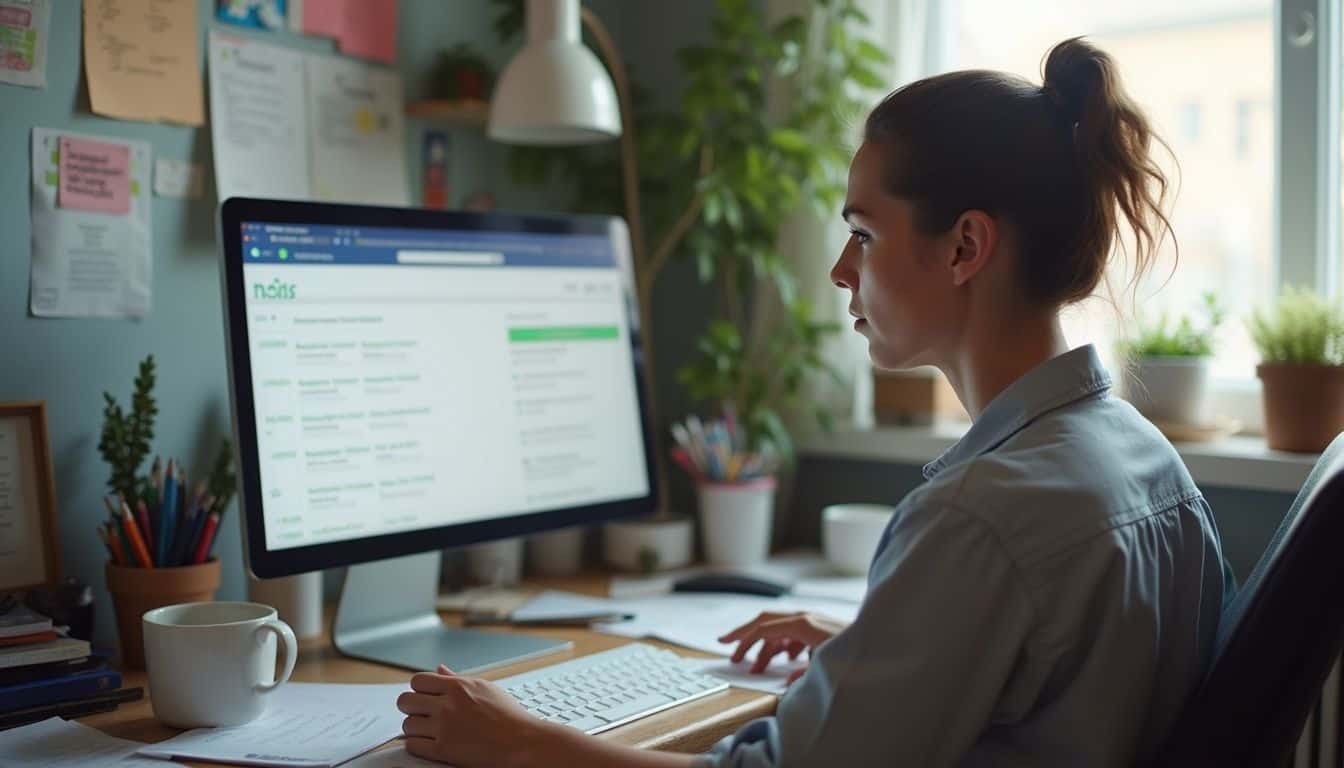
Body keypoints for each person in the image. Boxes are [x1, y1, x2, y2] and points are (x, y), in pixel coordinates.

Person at [393, 36, 1235, 767]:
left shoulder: (980, 516)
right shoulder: (1143, 458)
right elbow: (1072, 695)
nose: (841, 270)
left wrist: (515, 742)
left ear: (966, 247)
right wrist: (887, 656)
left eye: (864, 234)